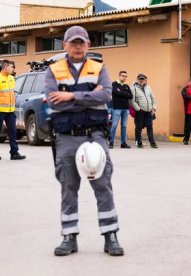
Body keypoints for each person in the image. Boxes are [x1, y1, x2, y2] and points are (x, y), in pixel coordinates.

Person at [44, 25, 123, 256]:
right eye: (73, 42)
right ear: (65, 45)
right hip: (66, 137)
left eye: (82, 42)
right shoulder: (53, 70)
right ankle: (69, 236)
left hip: (94, 135)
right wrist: (88, 97)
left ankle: (111, 236)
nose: (78, 46)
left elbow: (106, 95)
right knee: (68, 187)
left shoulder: (99, 68)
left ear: (88, 45)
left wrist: (71, 95)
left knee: (103, 186)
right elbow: (53, 102)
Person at [0, 59, 26, 161]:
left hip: (10, 111)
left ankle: (14, 153)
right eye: (11, 67)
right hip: (0, 110)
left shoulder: (11, 78)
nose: (13, 68)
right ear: (5, 67)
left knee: (12, 132)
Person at [130, 74, 158, 148]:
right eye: (140, 79)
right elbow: (131, 101)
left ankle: (152, 142)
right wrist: (138, 109)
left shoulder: (148, 88)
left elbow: (153, 99)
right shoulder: (134, 88)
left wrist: (154, 108)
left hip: (149, 111)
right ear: (137, 79)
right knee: (138, 127)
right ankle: (139, 142)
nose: (141, 80)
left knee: (150, 127)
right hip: (140, 111)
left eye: (142, 79)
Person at [109, 71, 133, 149]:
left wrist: (121, 93)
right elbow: (116, 92)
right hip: (117, 108)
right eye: (123, 76)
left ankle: (123, 143)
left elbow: (131, 96)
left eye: (126, 76)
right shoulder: (114, 84)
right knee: (114, 126)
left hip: (125, 109)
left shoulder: (127, 86)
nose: (124, 77)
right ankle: (111, 142)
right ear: (119, 76)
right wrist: (125, 94)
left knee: (124, 126)